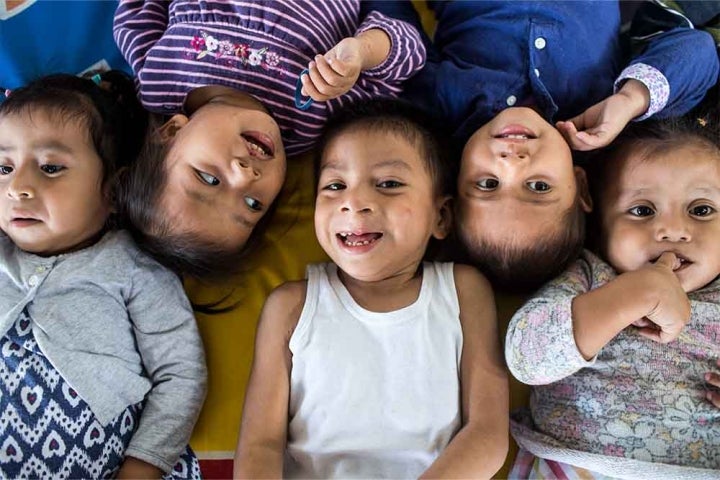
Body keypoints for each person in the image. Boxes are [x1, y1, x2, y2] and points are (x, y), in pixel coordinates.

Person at [233, 99, 508, 478]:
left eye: (389, 184)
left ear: (440, 216)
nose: (354, 202)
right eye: (335, 185)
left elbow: (488, 434)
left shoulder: (463, 292)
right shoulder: (291, 306)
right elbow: (259, 445)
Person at [374, 0, 720, 291]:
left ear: (455, 178)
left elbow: (397, 35)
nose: (511, 161)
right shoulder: (604, 118)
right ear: (580, 184)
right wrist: (631, 98)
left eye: (488, 184)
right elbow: (698, 52)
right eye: (539, 186)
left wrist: (366, 48)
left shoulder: (442, 106)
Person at [112, 0, 426, 279]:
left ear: (170, 132)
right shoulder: (313, 118)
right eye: (252, 203)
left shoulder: (158, 77)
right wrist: (360, 53)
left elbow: (135, 12)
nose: (245, 175)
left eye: (208, 178)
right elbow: (409, 50)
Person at [0, 73, 207, 479]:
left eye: (51, 167)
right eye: (2, 166)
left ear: (112, 190)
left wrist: (144, 465)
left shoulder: (136, 268)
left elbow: (181, 373)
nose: (17, 187)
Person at [504, 113, 720, 478]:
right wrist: (628, 296)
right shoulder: (592, 276)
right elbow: (525, 356)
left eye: (701, 210)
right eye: (642, 211)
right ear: (600, 222)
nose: (673, 230)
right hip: (574, 465)